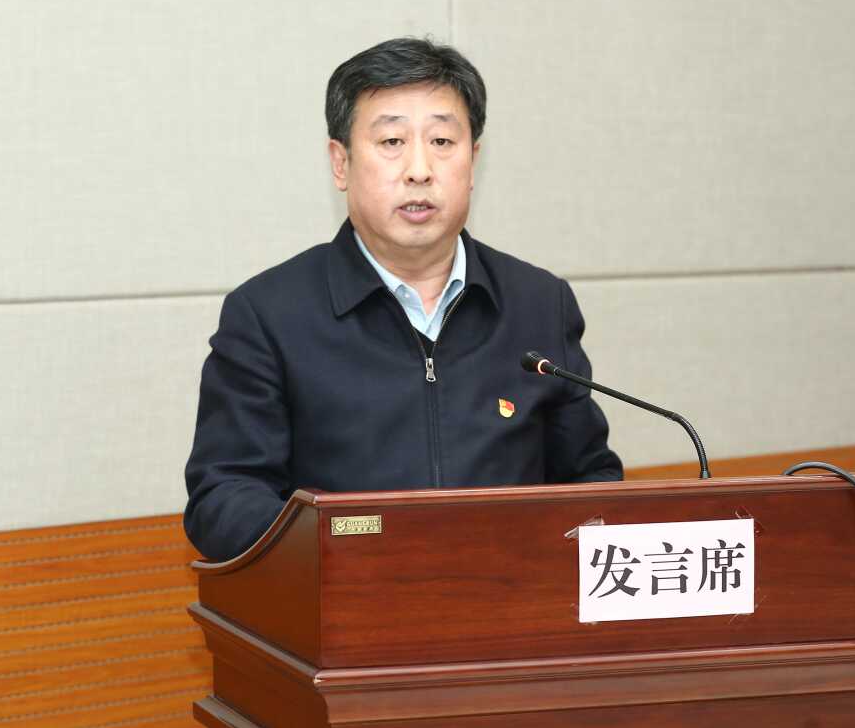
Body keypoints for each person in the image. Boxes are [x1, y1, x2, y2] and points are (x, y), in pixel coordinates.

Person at [183, 38, 622, 561]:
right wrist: (356, 551)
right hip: (346, 600)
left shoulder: (539, 304)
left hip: (510, 599)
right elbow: (224, 498)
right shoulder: (269, 316)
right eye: (391, 141)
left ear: (473, 160)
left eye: (442, 141)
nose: (419, 169)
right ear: (340, 163)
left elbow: (590, 479)